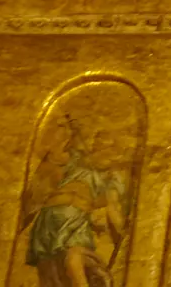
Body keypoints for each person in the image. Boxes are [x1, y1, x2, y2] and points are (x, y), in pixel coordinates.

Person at [22, 121, 131, 287]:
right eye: (98, 145)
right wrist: (67, 134)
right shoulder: (75, 159)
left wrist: (122, 228)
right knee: (49, 272)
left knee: (74, 257)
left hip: (75, 225)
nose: (100, 149)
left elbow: (112, 205)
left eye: (107, 149)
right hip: (48, 223)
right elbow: (53, 155)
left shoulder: (109, 178)